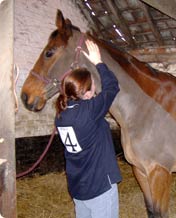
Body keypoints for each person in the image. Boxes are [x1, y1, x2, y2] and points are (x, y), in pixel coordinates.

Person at [55, 39, 122, 218]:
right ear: (86, 92)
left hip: (79, 186)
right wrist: (98, 62)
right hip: (99, 186)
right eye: (92, 85)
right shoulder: (89, 111)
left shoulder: (60, 115)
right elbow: (112, 86)